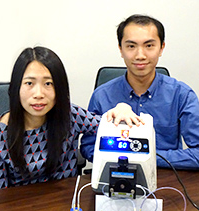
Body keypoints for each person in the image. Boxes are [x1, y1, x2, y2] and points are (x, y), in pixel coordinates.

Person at [0, 46, 141, 190]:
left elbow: (109, 126)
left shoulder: (70, 116)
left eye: (48, 84)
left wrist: (123, 107)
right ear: (16, 87)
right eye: (29, 83)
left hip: (65, 206)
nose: (39, 94)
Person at [80, 14, 199, 169]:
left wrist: (146, 157)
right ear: (120, 49)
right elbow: (88, 147)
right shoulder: (102, 95)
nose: (140, 55)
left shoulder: (181, 95)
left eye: (149, 46)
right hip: (113, 176)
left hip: (167, 180)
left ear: (161, 48)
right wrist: (125, 157)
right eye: (131, 46)